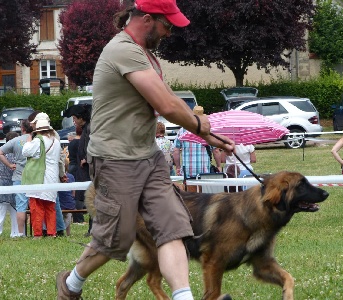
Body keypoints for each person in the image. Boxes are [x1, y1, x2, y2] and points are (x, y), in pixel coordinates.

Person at [55, 1, 234, 299]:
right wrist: (200, 125)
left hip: (148, 157)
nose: (170, 32)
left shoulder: (146, 56)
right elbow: (165, 106)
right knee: (116, 239)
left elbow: (170, 100)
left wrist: (209, 134)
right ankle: (71, 283)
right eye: (167, 25)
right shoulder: (122, 50)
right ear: (147, 19)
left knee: (173, 227)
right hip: (115, 158)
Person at [21, 115, 61, 238]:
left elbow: (25, 152)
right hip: (53, 176)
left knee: (36, 205)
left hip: (40, 176)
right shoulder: (56, 141)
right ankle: (52, 232)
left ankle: (38, 233)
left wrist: (28, 141)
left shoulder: (38, 140)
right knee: (50, 206)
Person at [0, 119, 33, 237]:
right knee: (37, 204)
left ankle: (20, 233)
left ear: (22, 128)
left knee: (20, 206)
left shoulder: (16, 141)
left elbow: (0, 152)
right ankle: (39, 231)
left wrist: (9, 165)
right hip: (35, 177)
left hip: (19, 176)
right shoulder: (38, 140)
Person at [63, 104, 92, 234]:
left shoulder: (91, 128)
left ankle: (93, 228)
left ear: (81, 118)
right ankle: (92, 228)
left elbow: (94, 145)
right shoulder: (87, 128)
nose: (74, 121)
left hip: (91, 170)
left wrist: (87, 158)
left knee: (93, 197)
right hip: (85, 170)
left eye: (75, 118)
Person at [174, 106, 222, 180]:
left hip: (187, 171)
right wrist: (219, 165)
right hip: (204, 170)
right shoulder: (208, 131)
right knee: (203, 190)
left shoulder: (182, 131)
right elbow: (216, 151)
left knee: (190, 190)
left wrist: (178, 167)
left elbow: (176, 150)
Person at [0, 131, 19, 237]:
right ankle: (15, 232)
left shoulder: (2, 152)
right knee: (15, 210)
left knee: (1, 211)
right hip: (13, 183)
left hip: (2, 184)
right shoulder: (16, 154)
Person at [67, 126, 83, 223]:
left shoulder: (71, 143)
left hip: (71, 166)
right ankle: (78, 218)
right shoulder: (82, 143)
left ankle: (74, 216)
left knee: (73, 191)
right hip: (79, 167)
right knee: (79, 193)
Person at [58, 156, 76, 236]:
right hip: (70, 204)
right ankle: (68, 233)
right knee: (68, 214)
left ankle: (60, 230)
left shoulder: (57, 177)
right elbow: (73, 194)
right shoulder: (71, 176)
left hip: (60, 205)